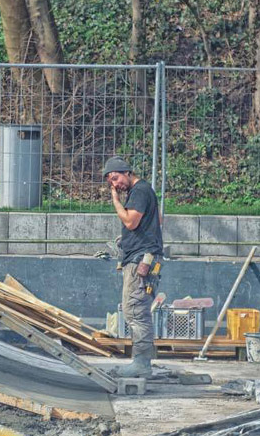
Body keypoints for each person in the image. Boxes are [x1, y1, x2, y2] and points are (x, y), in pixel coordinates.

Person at [102, 156, 163, 377]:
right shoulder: (142, 192)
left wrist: (115, 200)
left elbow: (130, 221)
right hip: (139, 255)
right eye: (111, 183)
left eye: (116, 178)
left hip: (141, 260)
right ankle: (142, 360)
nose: (115, 185)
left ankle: (142, 364)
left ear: (127, 172)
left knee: (136, 310)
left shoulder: (140, 191)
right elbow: (156, 221)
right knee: (133, 309)